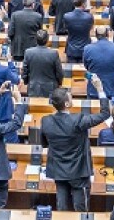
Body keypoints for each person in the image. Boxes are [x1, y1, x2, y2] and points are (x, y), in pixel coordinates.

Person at [41, 75, 110, 212]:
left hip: (59, 170)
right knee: (81, 209)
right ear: (66, 104)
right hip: (78, 171)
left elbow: (44, 144)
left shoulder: (45, 121)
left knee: (62, 208)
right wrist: (100, 89)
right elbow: (105, 114)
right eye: (70, 97)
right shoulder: (78, 120)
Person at [83, 25, 114, 98]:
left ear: (96, 35)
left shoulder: (88, 48)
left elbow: (86, 66)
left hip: (94, 88)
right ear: (108, 34)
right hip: (113, 87)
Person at [22, 29, 64, 98]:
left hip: (33, 87)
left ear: (36, 40)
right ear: (47, 40)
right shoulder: (53, 53)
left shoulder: (28, 52)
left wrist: (27, 82)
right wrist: (59, 83)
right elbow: (59, 73)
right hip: (50, 88)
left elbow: (24, 71)